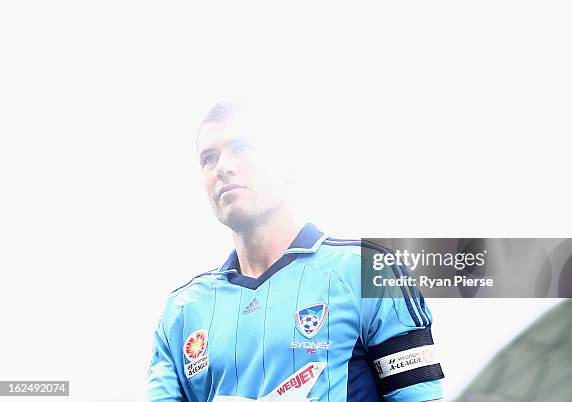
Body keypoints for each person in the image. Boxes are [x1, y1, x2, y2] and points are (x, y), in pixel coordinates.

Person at [146, 101, 445, 401]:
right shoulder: (181, 312)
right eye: (209, 158)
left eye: (242, 148)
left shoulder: (368, 271)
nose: (223, 167)